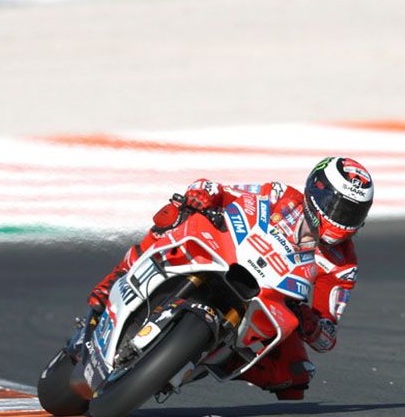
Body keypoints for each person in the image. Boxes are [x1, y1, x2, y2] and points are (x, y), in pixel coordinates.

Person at [87, 157, 374, 400]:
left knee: (295, 375)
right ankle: (114, 281)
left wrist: (311, 323)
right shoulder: (279, 195)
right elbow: (224, 191)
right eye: (337, 206)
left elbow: (327, 337)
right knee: (175, 215)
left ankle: (194, 361)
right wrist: (203, 195)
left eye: (352, 212)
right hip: (228, 254)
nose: (342, 218)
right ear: (315, 191)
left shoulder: (343, 265)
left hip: (265, 300)